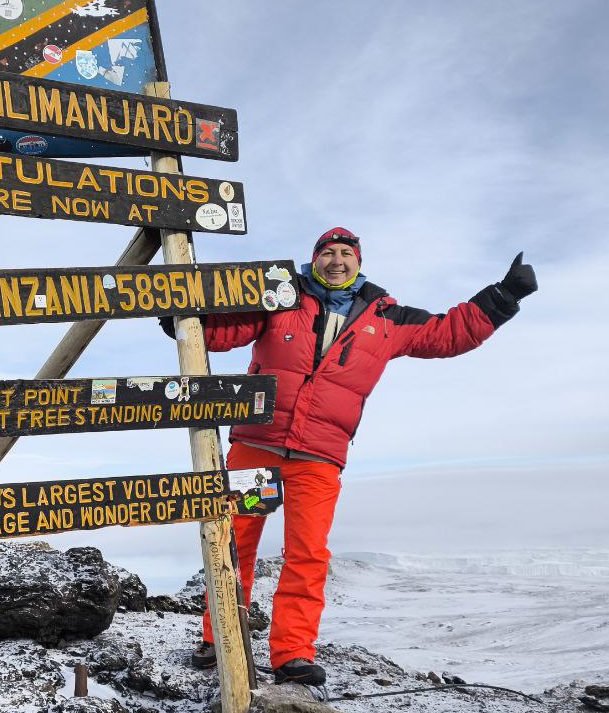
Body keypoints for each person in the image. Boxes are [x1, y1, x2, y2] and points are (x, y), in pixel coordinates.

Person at [165, 227, 537, 686]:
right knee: (233, 543)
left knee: (306, 554)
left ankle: (292, 654)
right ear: (314, 259)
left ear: (358, 261)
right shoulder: (281, 298)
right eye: (327, 253)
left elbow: (449, 333)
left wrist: (503, 295)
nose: (336, 260)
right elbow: (231, 329)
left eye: (345, 253)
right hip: (255, 445)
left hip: (318, 456)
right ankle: (218, 637)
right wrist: (182, 318)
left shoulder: (387, 319)